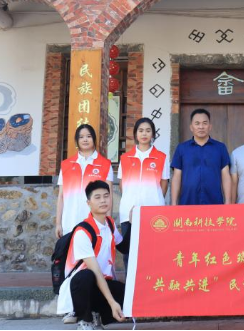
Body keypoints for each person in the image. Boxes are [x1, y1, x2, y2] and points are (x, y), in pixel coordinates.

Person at [56, 124, 113, 325]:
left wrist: (107, 221)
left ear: (94, 139)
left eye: (89, 136)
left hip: (94, 224)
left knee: (97, 265)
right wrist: (58, 222)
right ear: (77, 141)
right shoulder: (66, 164)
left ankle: (96, 309)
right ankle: (73, 309)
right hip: (71, 223)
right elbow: (61, 196)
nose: (85, 139)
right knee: (72, 268)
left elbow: (108, 195)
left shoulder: (104, 164)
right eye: (81, 137)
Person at [57, 180, 126, 330]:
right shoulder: (83, 231)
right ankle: (84, 319)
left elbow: (125, 248)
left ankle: (97, 314)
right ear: (88, 203)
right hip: (80, 285)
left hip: (100, 282)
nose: (103, 200)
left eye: (106, 196)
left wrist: (136, 221)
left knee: (124, 292)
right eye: (97, 197)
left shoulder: (109, 224)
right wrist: (112, 302)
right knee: (87, 276)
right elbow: (95, 271)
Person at [117, 117, 169, 268]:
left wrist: (154, 199)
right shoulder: (125, 158)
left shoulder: (161, 157)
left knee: (153, 251)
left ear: (153, 134)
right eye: (140, 131)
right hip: (128, 212)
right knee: (129, 253)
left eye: (148, 130)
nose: (144, 134)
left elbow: (164, 184)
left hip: (154, 211)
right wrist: (131, 199)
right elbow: (122, 184)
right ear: (135, 134)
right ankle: (130, 283)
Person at [171, 108, 231, 205]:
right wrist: (174, 203)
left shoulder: (220, 148)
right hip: (188, 202)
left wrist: (228, 201)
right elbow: (177, 176)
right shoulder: (182, 148)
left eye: (204, 123)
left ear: (210, 126)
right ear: (191, 127)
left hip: (214, 202)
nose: (201, 127)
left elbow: (226, 175)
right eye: (197, 123)